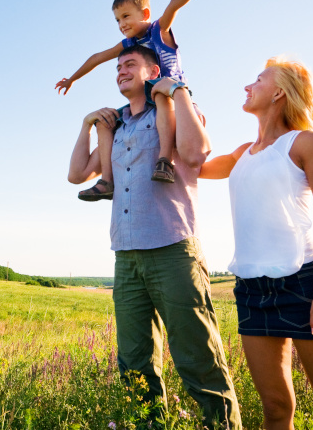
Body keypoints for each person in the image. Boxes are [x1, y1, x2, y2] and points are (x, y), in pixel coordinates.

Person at [199, 57, 313, 430]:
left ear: (279, 92)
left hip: (303, 286)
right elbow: (193, 166)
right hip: (251, 292)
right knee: (276, 409)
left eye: (258, 80)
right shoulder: (241, 154)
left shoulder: (306, 143)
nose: (248, 86)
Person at [67, 45, 241, 429]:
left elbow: (197, 154)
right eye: (116, 68)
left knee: (198, 358)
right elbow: (77, 174)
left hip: (173, 251)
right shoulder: (118, 129)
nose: (120, 71)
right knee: (134, 363)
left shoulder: (173, 114)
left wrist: (176, 90)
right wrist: (85, 125)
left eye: (129, 64)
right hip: (126, 257)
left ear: (151, 71)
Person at [58, 0, 222, 199]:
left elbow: (173, 4)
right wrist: (72, 79)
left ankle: (164, 159)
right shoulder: (128, 44)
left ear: (144, 14)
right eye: (117, 20)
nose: (121, 24)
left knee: (159, 93)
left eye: (126, 16)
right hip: (146, 98)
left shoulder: (158, 30)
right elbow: (97, 57)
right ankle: (107, 181)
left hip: (171, 92)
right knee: (106, 121)